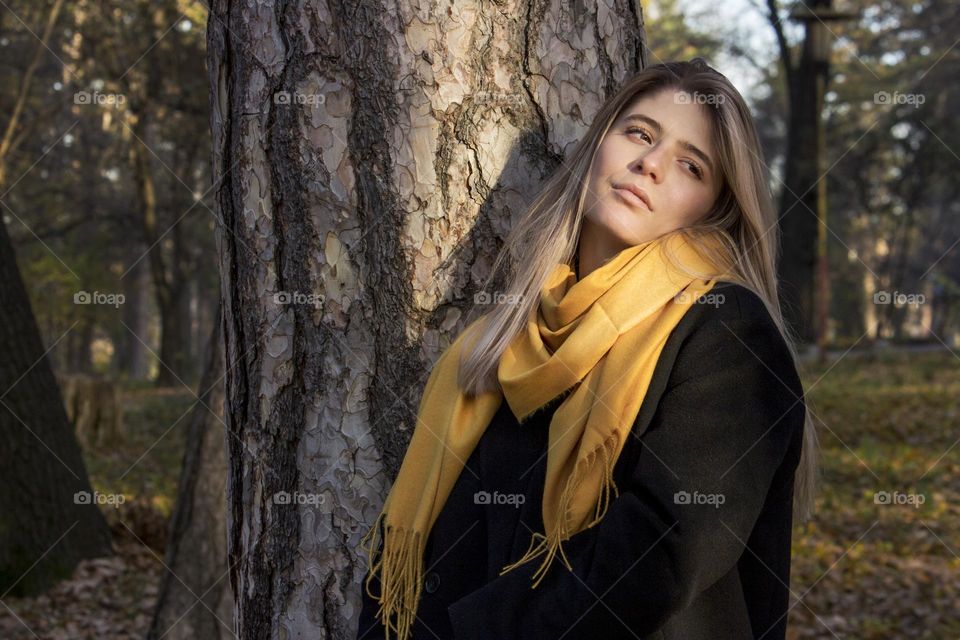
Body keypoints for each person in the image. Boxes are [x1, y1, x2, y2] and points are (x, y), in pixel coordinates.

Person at [357, 58, 820, 640]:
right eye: (640, 134)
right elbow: (442, 550)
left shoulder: (727, 333)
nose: (649, 165)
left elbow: (656, 558)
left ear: (716, 207)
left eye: (690, 165)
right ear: (599, 143)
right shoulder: (505, 341)